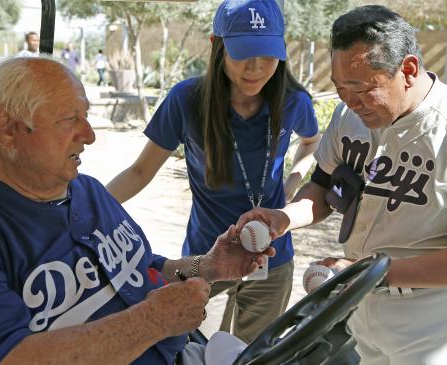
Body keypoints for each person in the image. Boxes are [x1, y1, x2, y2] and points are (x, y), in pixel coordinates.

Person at [0, 56, 276, 365]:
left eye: (86, 116)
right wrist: (152, 321)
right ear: (6, 128)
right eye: (69, 118)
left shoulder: (86, 189)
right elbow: (2, 356)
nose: (89, 135)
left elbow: (142, 268)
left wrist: (207, 266)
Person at [237, 5, 447, 364]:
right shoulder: (350, 115)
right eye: (340, 88)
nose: (349, 102)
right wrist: (283, 219)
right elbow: (324, 187)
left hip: (434, 327)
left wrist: (368, 273)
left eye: (361, 89)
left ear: (407, 70)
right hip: (361, 312)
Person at [106, 0, 320, 343]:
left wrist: (292, 184)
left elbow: (311, 142)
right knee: (198, 349)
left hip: (273, 258)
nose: (256, 68)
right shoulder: (186, 99)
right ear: (216, 46)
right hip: (206, 259)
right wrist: (87, 209)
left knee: (256, 353)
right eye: (243, 54)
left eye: (267, 55)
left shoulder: (294, 101)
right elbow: (140, 171)